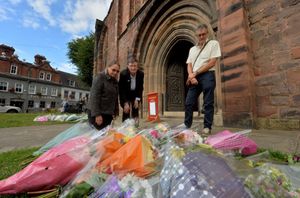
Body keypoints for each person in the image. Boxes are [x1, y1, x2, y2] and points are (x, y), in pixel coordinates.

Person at [184, 24, 221, 134]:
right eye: (199, 35)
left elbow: (212, 62)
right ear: (196, 35)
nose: (201, 37)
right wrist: (191, 75)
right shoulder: (192, 49)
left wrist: (195, 73)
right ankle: (187, 126)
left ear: (207, 33)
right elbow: (189, 64)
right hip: (194, 76)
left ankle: (207, 127)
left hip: (207, 74)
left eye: (203, 34)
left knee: (208, 102)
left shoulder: (213, 44)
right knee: (188, 102)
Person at [87, 63, 120, 130]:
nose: (115, 72)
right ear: (108, 67)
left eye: (117, 71)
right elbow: (94, 96)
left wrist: (115, 111)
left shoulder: (115, 81)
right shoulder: (100, 77)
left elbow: (115, 97)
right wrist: (97, 114)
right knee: (96, 137)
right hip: (98, 114)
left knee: (106, 137)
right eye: (113, 70)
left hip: (108, 114)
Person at [119, 57, 144, 124]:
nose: (133, 68)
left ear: (137, 66)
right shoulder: (123, 74)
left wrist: (138, 99)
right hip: (126, 94)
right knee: (126, 110)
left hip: (135, 94)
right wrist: (125, 103)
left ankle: (135, 126)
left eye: (135, 66)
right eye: (131, 66)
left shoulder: (141, 74)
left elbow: (140, 88)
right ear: (128, 66)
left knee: (135, 108)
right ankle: (125, 126)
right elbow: (121, 90)